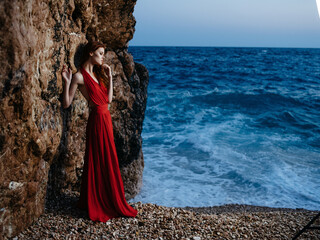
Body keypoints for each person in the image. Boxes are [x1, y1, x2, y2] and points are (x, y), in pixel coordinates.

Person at [61, 41, 138, 221]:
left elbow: (109, 100)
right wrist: (66, 81)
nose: (103, 57)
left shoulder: (97, 74)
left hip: (106, 120)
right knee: (98, 159)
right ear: (90, 53)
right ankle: (96, 200)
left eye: (104, 53)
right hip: (96, 121)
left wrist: (110, 77)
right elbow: (66, 103)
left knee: (109, 158)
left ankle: (109, 198)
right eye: (101, 53)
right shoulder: (79, 76)